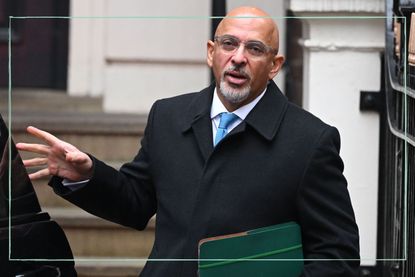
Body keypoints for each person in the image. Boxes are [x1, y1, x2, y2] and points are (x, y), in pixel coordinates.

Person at [16, 6, 360, 277]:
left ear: (274, 65)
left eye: (254, 49)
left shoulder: (310, 141)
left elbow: (337, 256)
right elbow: (136, 202)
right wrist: (88, 173)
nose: (238, 57)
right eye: (229, 44)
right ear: (212, 52)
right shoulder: (168, 116)